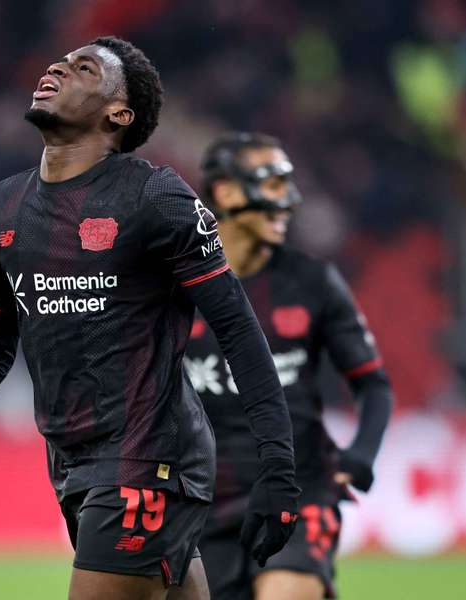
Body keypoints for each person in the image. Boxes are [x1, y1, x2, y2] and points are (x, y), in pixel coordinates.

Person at [0, 37, 300, 600]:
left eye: (83, 69)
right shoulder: (0, 211)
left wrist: (278, 465)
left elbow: (238, 330)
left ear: (118, 114)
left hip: (149, 456)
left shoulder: (155, 198)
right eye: (59, 62)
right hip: (71, 462)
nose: (57, 68)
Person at [186, 133, 394, 600]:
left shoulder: (312, 282)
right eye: (273, 185)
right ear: (226, 193)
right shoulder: (175, 289)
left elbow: (372, 384)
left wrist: (362, 452)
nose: (290, 200)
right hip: (203, 503)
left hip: (300, 489)